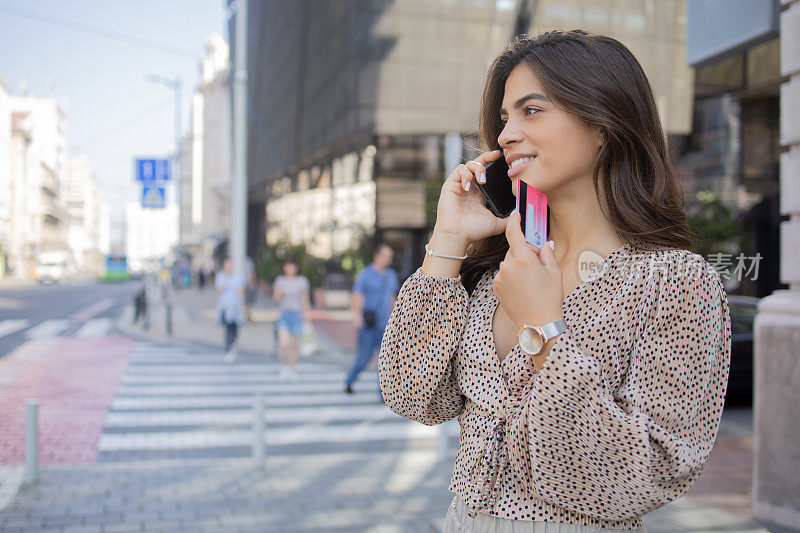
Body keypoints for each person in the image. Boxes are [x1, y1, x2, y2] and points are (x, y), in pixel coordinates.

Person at [378, 30, 732, 532]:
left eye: (532, 111)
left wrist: (545, 330)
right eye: (504, 118)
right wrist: (448, 241)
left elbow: (649, 474)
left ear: (604, 122)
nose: (505, 135)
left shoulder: (673, 281)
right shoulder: (500, 270)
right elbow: (411, 395)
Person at [345, 244, 399, 402]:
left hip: (385, 324)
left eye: (390, 256)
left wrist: (395, 318)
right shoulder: (366, 274)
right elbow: (356, 296)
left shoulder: (391, 275)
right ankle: (349, 380)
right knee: (364, 357)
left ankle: (382, 393)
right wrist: (356, 316)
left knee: (384, 358)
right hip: (368, 323)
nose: (389, 259)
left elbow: (393, 298)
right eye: (386, 256)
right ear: (377, 256)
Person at [273, 257, 311, 381]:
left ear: (296, 268)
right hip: (284, 314)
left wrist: (308, 317)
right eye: (287, 266)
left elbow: (305, 300)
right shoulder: (280, 280)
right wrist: (281, 292)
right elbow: (276, 298)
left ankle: (292, 368)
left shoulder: (302, 281)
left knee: (295, 345)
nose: (290, 269)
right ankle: (284, 367)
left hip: (296, 315)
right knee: (284, 344)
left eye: (292, 266)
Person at [215, 257, 247, 363]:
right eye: (227, 264)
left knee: (235, 328)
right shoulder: (220, 276)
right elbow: (218, 289)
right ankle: (228, 349)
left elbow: (242, 291)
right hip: (224, 306)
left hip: (236, 307)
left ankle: (233, 346)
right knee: (228, 328)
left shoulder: (238, 277)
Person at [244, 256, 258, 321]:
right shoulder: (248, 261)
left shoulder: (248, 261)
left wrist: (252, 282)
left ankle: (247, 314)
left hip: (247, 284)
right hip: (245, 284)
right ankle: (247, 314)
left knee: (248, 301)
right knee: (247, 301)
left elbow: (252, 272)